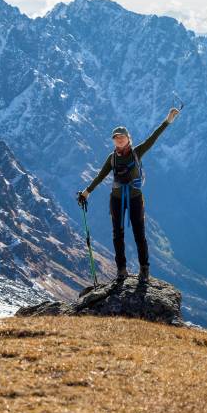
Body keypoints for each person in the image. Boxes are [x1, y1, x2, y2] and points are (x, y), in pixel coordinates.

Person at [77, 107, 180, 282]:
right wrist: (87, 192)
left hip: (135, 199)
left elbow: (153, 138)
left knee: (139, 234)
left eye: (121, 137)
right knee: (118, 234)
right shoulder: (112, 158)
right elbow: (100, 176)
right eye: (116, 137)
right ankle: (121, 270)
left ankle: (144, 269)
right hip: (116, 199)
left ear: (128, 138)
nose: (119, 139)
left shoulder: (137, 152)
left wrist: (167, 120)